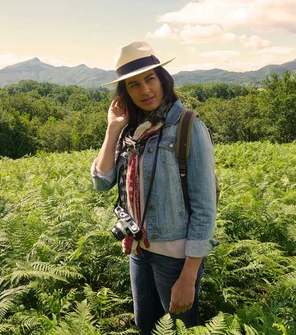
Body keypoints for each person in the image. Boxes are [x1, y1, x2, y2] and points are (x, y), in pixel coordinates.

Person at [91, 41, 217, 334]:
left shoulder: (188, 127)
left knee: (177, 330)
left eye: (150, 78)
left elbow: (204, 209)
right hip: (138, 251)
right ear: (125, 93)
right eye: (134, 85)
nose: (145, 90)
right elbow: (101, 182)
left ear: (163, 78)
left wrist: (188, 277)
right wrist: (112, 130)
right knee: (145, 326)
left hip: (175, 259)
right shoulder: (131, 132)